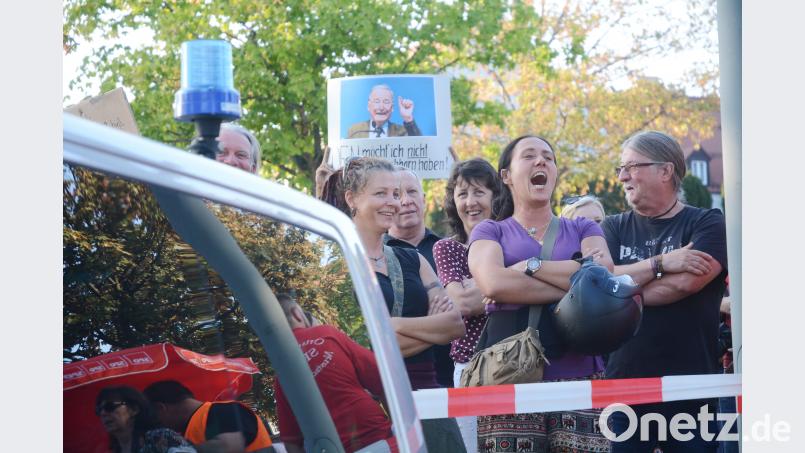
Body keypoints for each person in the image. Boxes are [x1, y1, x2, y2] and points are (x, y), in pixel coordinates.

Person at [468, 135, 613, 453]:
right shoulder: (490, 231)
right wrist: (575, 280)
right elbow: (493, 283)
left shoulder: (583, 228)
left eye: (548, 157)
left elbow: (603, 276)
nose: (541, 162)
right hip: (509, 376)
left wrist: (529, 266)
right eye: (529, 156)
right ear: (506, 176)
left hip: (580, 373)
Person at [319, 156, 466, 451]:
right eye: (381, 193)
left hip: (429, 404)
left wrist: (390, 327)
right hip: (374, 410)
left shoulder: (413, 258)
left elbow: (454, 325)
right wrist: (427, 327)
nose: (393, 202)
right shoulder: (336, 267)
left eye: (395, 193)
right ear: (352, 199)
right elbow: (359, 346)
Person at [601, 130, 727, 452]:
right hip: (627, 384)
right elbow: (600, 283)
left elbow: (686, 283)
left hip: (691, 386)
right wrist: (663, 263)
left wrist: (621, 285)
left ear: (666, 170)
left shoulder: (708, 222)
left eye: (631, 166)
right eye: (620, 168)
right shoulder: (612, 227)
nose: (622, 176)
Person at [432, 157, 500, 453]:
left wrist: (479, 286)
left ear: (495, 197)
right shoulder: (446, 247)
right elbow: (461, 302)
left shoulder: (511, 243)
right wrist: (502, 286)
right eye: (462, 194)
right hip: (469, 366)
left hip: (516, 362)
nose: (470, 202)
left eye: (479, 192)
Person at [273, 293, 398, 453]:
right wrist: (400, 430)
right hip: (378, 437)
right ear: (297, 313)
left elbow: (291, 442)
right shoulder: (326, 333)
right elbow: (383, 379)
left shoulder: (281, 373)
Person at [383, 166, 455, 388]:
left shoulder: (448, 249)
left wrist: (400, 326)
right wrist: (434, 325)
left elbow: (456, 321)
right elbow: (378, 336)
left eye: (412, 192)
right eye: (397, 195)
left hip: (453, 380)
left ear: (424, 199)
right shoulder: (376, 258)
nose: (406, 201)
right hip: (401, 384)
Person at [144, 380, 273, 453]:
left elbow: (228, 446)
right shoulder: (187, 430)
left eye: (154, 417)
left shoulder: (222, 410)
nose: (157, 425)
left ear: (160, 408)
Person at [95, 385, 195, 453]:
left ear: (134, 409)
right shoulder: (116, 449)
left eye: (110, 406)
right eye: (99, 409)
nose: (103, 413)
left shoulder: (161, 437)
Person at [347, 84, 422, 138]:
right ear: (368, 106)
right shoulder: (355, 131)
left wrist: (408, 118)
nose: (381, 107)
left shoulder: (402, 132)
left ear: (392, 107)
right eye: (377, 101)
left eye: (386, 102)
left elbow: (420, 146)